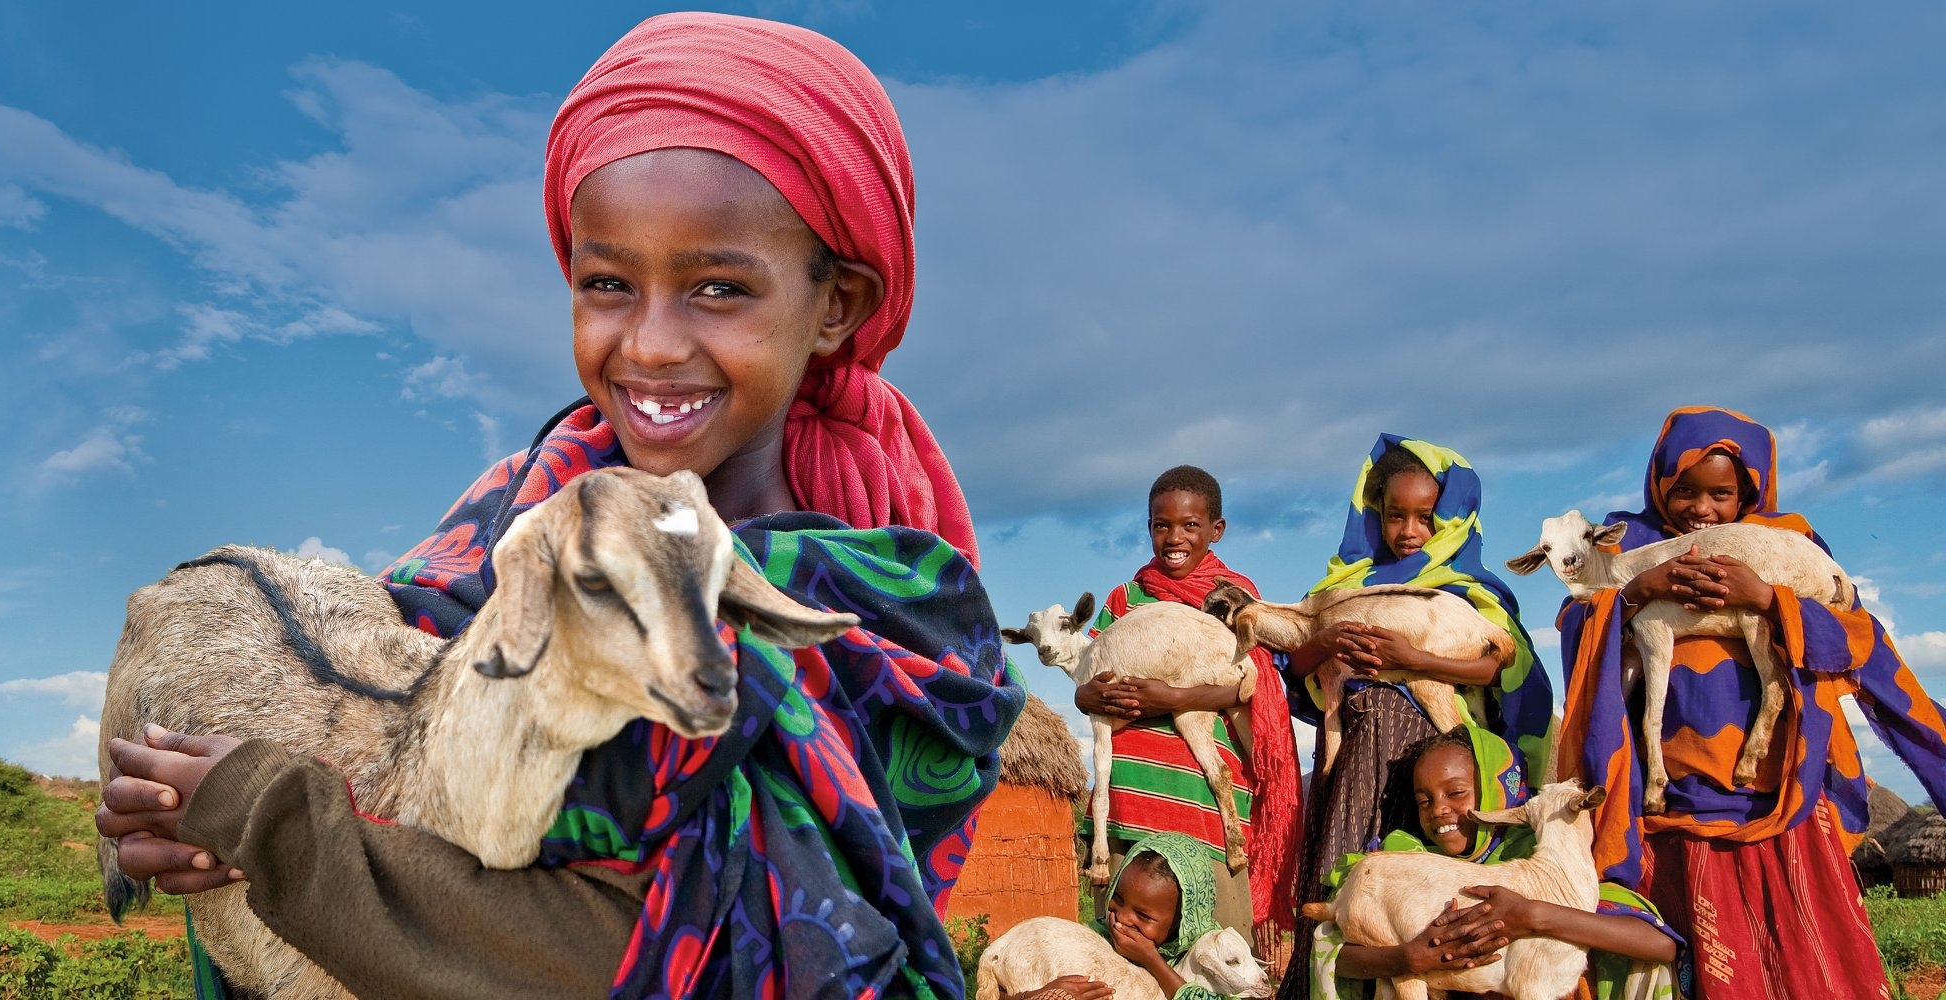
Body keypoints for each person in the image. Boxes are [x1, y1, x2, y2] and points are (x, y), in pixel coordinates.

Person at [93, 14, 1024, 1000]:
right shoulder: (498, 528)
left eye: (717, 286)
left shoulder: (894, 620)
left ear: (835, 303)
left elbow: (659, 958)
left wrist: (269, 821)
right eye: (607, 283)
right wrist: (182, 825)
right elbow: (369, 745)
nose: (653, 342)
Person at [1551, 406, 1946, 1000]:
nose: (1700, 509)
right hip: (1667, 800)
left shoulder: (1787, 542)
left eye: (1721, 494)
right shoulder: (1623, 543)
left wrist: (1766, 596)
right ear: (1658, 483)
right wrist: (1637, 593)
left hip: (1776, 791)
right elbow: (1575, 625)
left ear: (1750, 492)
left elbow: (1857, 637)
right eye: (1682, 490)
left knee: (1801, 961)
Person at [1276, 435, 1552, 1000]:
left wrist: (1414, 660)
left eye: (1424, 517)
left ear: (1450, 517)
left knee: (1415, 898)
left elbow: (1499, 665)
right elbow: (1295, 664)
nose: (1408, 531)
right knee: (1341, 891)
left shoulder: (1470, 591)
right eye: (1393, 515)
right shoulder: (1345, 587)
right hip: (1350, 760)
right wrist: (1324, 638)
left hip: (1431, 770)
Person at [1075, 465, 1301, 958]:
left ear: (1215, 530)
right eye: (1161, 525)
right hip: (1130, 796)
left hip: (1205, 805)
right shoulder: (1125, 598)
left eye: (1189, 525)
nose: (1174, 538)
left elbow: (1251, 689)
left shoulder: (1235, 598)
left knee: (1220, 952)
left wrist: (1175, 699)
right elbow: (1092, 676)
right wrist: (1081, 696)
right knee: (1121, 956)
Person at [1308, 726, 1683, 1000]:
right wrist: (1404, 959)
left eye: (1456, 793)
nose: (1439, 809)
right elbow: (1336, 954)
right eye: (1424, 801)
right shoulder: (1408, 862)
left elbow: (1660, 946)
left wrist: (1531, 915)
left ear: (1497, 791)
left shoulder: (1544, 862)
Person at [1006, 832, 1242, 1000]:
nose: (1122, 919)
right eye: (1117, 898)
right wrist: (1041, 995)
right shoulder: (1092, 940)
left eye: (1143, 915)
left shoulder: (1212, 955)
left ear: (1183, 922)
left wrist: (1153, 962)